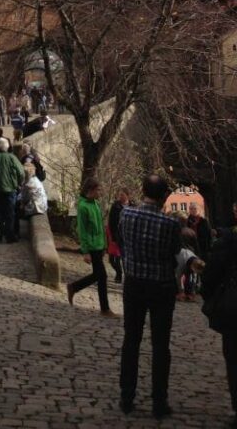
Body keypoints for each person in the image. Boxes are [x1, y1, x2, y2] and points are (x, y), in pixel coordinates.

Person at [118, 175, 181, 419]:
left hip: (134, 283)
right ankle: (159, 401)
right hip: (161, 287)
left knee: (131, 340)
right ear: (164, 195)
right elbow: (175, 251)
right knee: (160, 345)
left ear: (143, 190)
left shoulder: (127, 214)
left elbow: (123, 242)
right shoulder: (170, 224)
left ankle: (126, 395)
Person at [201, 218, 237, 427]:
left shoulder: (230, 239)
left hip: (233, 308)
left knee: (233, 356)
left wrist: (211, 297)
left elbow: (211, 273)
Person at [67, 178, 115, 317]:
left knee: (98, 275)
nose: (100, 192)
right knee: (102, 276)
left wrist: (105, 245)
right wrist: (85, 251)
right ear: (91, 190)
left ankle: (74, 287)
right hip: (92, 246)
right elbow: (82, 230)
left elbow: (101, 226)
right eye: (98, 190)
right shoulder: (83, 207)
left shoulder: (96, 204)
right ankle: (105, 309)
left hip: (99, 245)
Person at [107, 188, 130, 284]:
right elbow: (111, 221)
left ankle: (124, 277)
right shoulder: (115, 206)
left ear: (127, 195)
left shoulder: (132, 206)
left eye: (123, 195)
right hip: (116, 234)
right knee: (112, 259)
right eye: (120, 195)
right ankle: (119, 272)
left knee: (123, 258)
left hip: (127, 236)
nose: (121, 197)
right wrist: (111, 236)